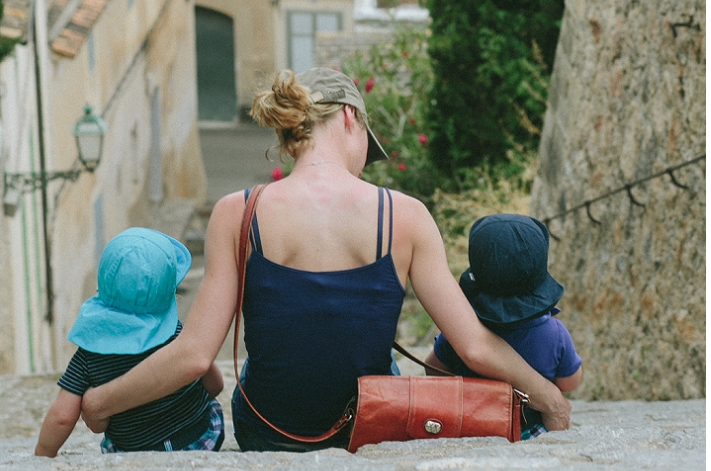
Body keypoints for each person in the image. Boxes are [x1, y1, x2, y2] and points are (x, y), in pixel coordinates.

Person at [79, 70, 572, 449]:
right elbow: (476, 346)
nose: (365, 159)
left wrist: (99, 401)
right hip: (372, 426)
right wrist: (548, 398)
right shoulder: (404, 215)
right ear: (350, 118)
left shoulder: (238, 212)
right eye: (366, 146)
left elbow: (194, 356)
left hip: (268, 431)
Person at [35, 227, 224, 457]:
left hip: (132, 451)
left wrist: (43, 453)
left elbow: (63, 417)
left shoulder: (88, 355)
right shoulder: (177, 334)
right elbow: (215, 385)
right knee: (210, 409)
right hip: (198, 440)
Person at [423, 213, 582, 438]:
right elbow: (570, 382)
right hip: (528, 430)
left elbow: (433, 368)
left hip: (471, 427)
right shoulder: (555, 333)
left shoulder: (463, 332)